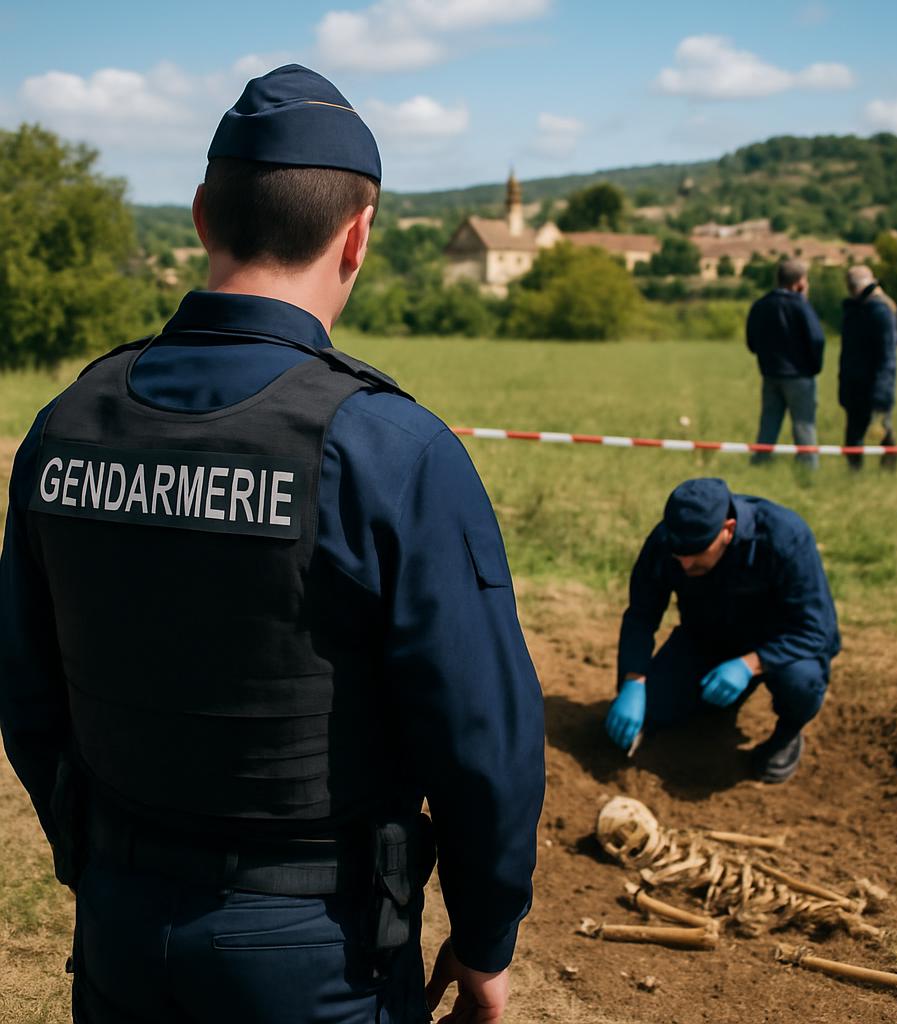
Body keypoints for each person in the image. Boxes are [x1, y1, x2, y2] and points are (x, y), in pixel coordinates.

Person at [0, 65, 545, 1024]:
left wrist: (103, 856)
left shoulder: (66, 424)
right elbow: (481, 740)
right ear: (359, 235)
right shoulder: (392, 451)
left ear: (202, 216)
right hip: (317, 952)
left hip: (119, 924)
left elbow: (26, 690)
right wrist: (485, 935)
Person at [605, 478, 840, 784]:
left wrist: (750, 664)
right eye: (679, 553)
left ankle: (786, 735)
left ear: (728, 529)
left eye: (697, 552)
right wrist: (633, 680)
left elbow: (817, 629)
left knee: (802, 683)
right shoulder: (667, 540)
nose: (685, 562)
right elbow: (641, 615)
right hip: (706, 638)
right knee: (650, 709)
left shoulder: (784, 536)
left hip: (779, 646)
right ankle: (708, 701)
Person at [746, 258, 827, 468]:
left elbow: (751, 340)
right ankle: (808, 467)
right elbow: (817, 338)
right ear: (799, 282)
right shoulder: (800, 305)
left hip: (770, 373)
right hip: (799, 376)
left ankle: (760, 462)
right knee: (804, 424)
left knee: (768, 422)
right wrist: (814, 366)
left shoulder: (761, 304)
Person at [839, 265, 897, 471]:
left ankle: (888, 471)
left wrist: (882, 394)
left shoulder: (881, 311)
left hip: (874, 384)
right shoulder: (854, 310)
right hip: (854, 383)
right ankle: (854, 473)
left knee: (881, 430)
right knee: (853, 434)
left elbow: (887, 356)